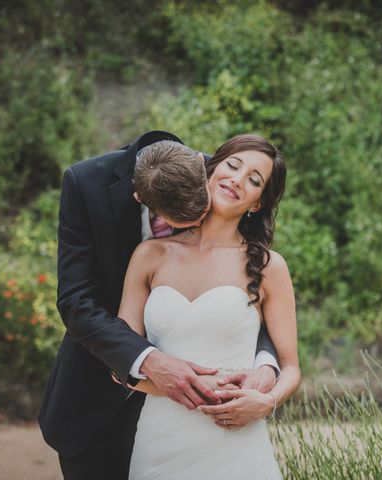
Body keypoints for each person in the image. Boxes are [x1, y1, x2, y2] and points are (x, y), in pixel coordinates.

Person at [38, 132, 279, 480]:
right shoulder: (85, 183)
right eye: (184, 223)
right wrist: (149, 361)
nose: (198, 227)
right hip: (100, 402)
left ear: (203, 168)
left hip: (206, 420)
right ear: (139, 198)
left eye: (202, 214)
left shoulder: (228, 175)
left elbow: (255, 286)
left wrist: (266, 366)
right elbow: (77, 301)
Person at [119, 134, 300, 478]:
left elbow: (290, 366)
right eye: (233, 165)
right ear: (210, 170)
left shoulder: (269, 266)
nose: (237, 179)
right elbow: (122, 364)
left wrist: (267, 401)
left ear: (256, 204)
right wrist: (188, 389)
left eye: (254, 180)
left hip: (236, 442)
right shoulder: (149, 255)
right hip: (160, 442)